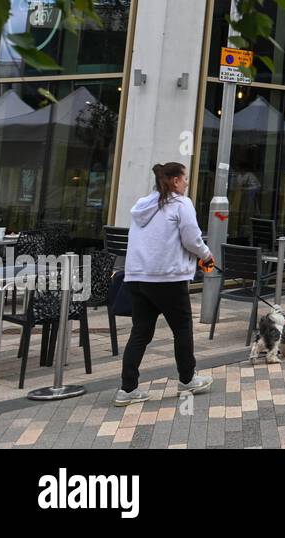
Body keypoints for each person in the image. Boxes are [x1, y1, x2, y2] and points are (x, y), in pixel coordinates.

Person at [115, 163, 215, 406]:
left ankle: (127, 390)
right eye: (185, 179)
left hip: (138, 276)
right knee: (181, 327)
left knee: (140, 332)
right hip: (167, 277)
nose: (188, 183)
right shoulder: (181, 204)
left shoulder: (142, 205)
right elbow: (192, 239)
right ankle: (187, 378)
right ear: (175, 181)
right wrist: (206, 254)